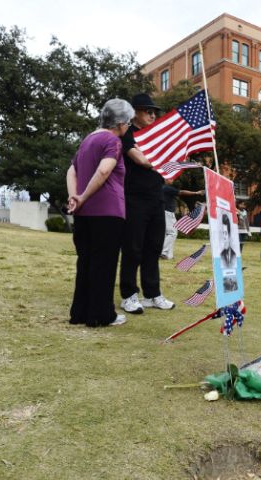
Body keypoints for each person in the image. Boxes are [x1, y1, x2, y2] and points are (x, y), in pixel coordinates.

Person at [66, 99, 134, 327]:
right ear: (121, 123)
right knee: (104, 264)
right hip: (108, 212)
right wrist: (83, 196)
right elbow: (105, 170)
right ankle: (102, 315)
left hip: (83, 214)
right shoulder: (112, 141)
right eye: (129, 122)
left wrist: (74, 197)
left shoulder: (87, 140)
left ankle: (80, 313)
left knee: (85, 262)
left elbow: (71, 170)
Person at [119, 93, 174, 314]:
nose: (153, 115)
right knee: (133, 248)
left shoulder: (155, 137)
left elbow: (167, 172)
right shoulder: (127, 134)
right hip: (134, 198)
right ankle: (129, 295)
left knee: (153, 248)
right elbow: (140, 159)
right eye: (147, 111)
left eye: (154, 112)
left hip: (156, 198)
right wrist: (161, 163)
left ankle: (152, 294)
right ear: (134, 113)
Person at [161, 179, 205, 260]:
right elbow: (181, 192)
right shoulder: (167, 188)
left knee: (167, 233)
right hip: (167, 212)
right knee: (172, 233)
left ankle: (168, 255)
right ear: (165, 179)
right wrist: (196, 193)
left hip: (164, 212)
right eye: (170, 178)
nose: (172, 180)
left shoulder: (161, 187)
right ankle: (162, 252)